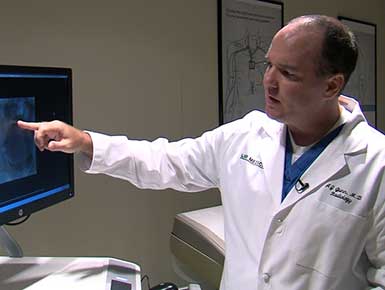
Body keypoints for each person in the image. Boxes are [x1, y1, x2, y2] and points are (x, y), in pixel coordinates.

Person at [18, 15, 385, 290]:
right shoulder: (245, 136)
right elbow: (166, 162)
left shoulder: (376, 165)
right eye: (268, 65)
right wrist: (85, 141)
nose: (269, 81)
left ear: (331, 85)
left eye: (287, 73)